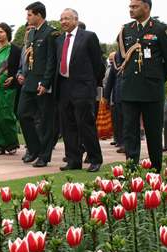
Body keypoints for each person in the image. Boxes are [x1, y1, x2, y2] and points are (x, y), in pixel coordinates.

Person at [118, 0, 167, 172]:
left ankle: (156, 169)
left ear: (146, 7)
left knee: (153, 132)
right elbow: (123, 59)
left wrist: (156, 79)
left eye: (135, 6)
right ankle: (131, 170)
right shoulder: (126, 30)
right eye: (130, 6)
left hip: (152, 90)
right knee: (130, 132)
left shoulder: (160, 29)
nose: (131, 9)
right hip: (130, 89)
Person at [55, 8, 103, 172]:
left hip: (83, 87)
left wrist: (90, 83)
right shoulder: (59, 40)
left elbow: (98, 64)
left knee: (85, 124)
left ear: (76, 19)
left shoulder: (88, 37)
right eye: (61, 19)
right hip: (64, 86)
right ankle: (73, 160)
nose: (63, 22)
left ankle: (95, 159)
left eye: (67, 18)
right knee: (68, 126)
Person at [17, 1, 58, 168]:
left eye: (29, 15)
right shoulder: (32, 34)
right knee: (22, 114)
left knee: (46, 120)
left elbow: (50, 61)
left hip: (42, 83)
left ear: (39, 15)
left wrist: (46, 82)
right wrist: (23, 74)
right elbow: (29, 58)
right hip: (29, 82)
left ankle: (44, 155)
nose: (27, 18)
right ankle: (34, 148)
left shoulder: (51, 33)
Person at [0, 23, 21, 155]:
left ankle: (11, 143)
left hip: (8, 87)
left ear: (7, 33)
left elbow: (20, 67)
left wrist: (13, 77)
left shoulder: (15, 50)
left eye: (1, 32)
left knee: (6, 115)